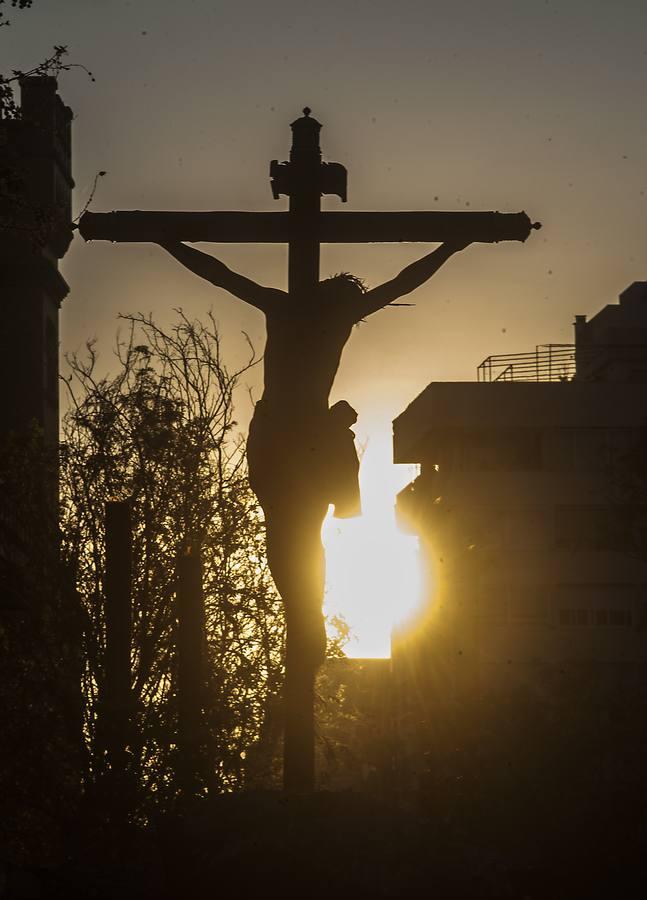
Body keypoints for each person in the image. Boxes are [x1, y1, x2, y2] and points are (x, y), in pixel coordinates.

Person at [157, 239, 471, 670]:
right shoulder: (331, 316)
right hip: (304, 435)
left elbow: (218, 272)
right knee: (300, 531)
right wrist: (452, 248)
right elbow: (402, 282)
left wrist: (166, 241)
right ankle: (303, 612)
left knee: (289, 528)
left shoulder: (284, 306)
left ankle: (302, 612)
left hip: (285, 432)